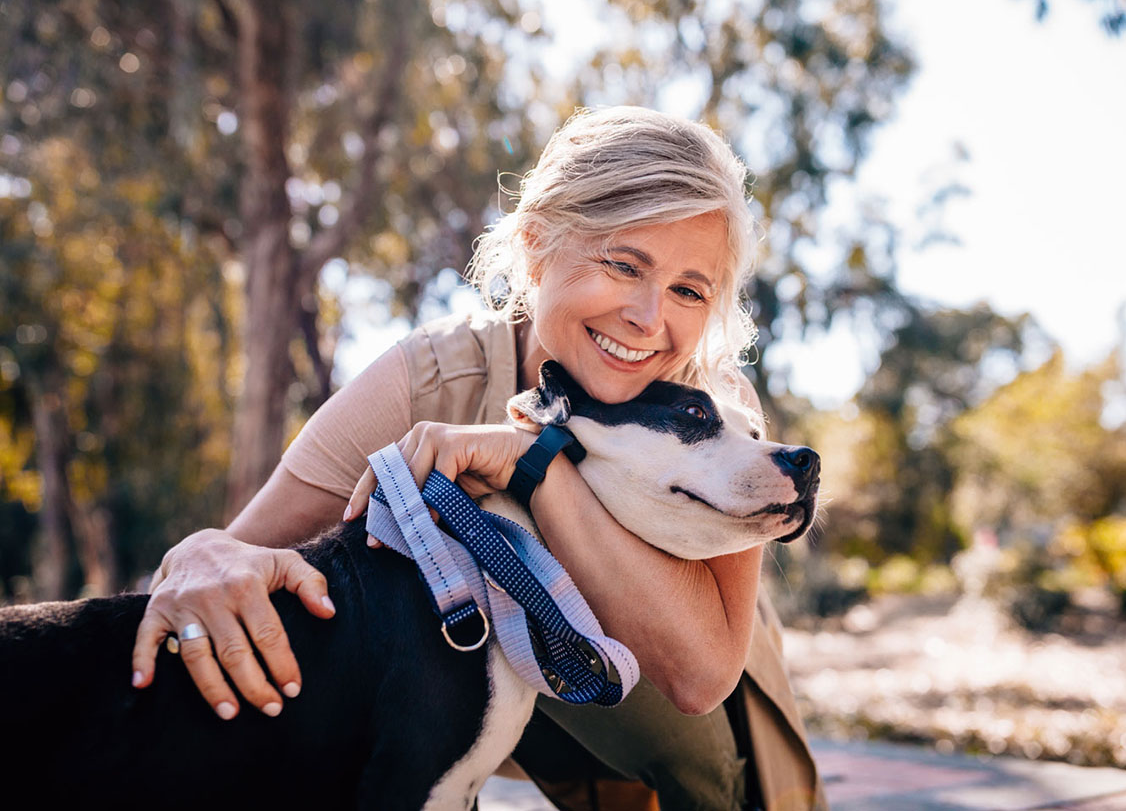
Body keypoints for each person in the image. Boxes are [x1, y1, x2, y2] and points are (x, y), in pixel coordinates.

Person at [130, 106, 827, 810]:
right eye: (623, 264)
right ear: (535, 245)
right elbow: (234, 553)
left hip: (672, 729)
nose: (650, 319)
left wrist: (534, 464)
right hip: (466, 684)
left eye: (688, 290)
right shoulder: (432, 377)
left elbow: (700, 678)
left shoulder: (720, 409)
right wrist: (198, 558)